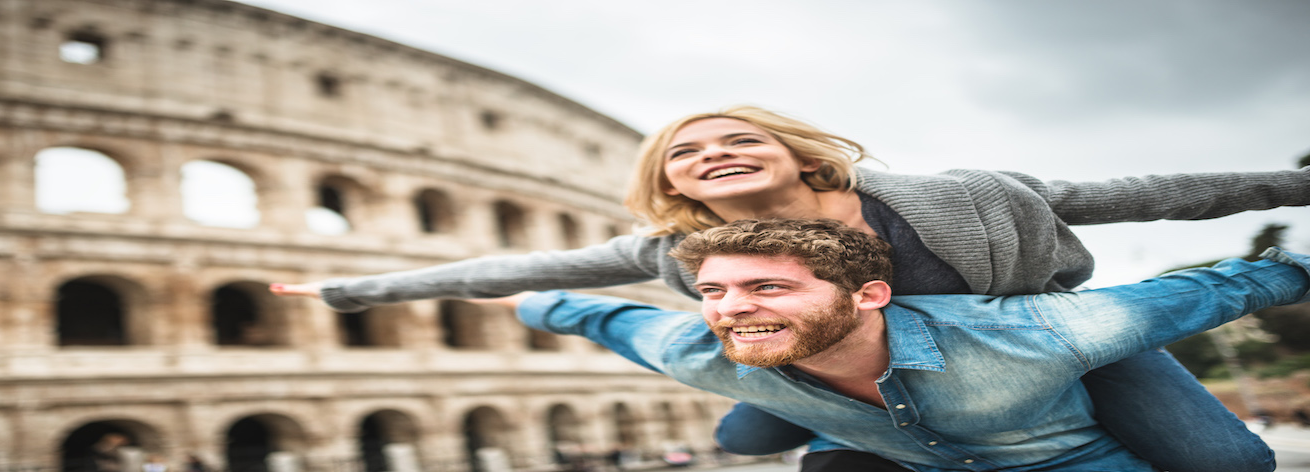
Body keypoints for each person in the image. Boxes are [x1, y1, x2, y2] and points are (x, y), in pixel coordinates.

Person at [273, 106, 1309, 471]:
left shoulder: (950, 200)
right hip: (834, 374)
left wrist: (1294, 186)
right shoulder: (676, 254)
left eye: (738, 137)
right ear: (669, 184)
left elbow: (1150, 193)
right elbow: (529, 271)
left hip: (1029, 344)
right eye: (686, 153)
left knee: (1221, 459)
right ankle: (860, 427)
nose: (711, 156)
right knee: (744, 437)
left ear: (794, 150)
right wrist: (349, 292)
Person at [479, 218, 1310, 471]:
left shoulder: (1030, 333)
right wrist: (521, 299)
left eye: (767, 286)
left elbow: (1222, 287)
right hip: (881, 450)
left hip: (1065, 458)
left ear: (870, 294)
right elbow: (599, 317)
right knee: (768, 443)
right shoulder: (700, 348)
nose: (731, 310)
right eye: (715, 291)